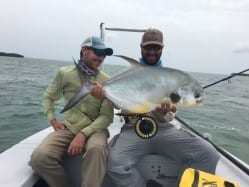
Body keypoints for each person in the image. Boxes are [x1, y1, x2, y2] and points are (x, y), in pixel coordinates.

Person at [91, 29, 220, 187]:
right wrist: (102, 94)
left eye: (156, 48)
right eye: (148, 48)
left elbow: (171, 116)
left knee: (208, 155)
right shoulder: (129, 73)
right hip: (133, 129)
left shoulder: (171, 77)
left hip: (164, 129)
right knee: (115, 163)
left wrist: (164, 113)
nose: (152, 52)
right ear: (141, 47)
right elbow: (119, 104)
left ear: (162, 48)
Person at [29, 36, 114, 187]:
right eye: (98, 52)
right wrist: (53, 120)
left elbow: (106, 116)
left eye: (104, 54)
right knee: (39, 158)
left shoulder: (107, 81)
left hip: (96, 128)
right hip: (69, 126)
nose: (101, 57)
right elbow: (48, 97)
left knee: (97, 149)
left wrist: (83, 134)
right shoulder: (65, 73)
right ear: (84, 50)